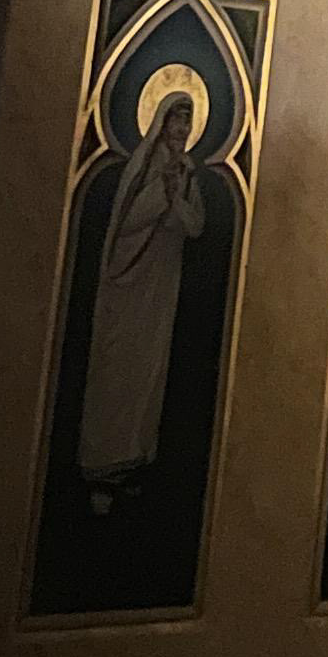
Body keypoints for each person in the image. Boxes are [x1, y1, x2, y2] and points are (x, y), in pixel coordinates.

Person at [77, 85, 207, 506]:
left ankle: (134, 459)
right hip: (129, 283)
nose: (182, 129)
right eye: (176, 119)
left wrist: (175, 198)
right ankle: (103, 463)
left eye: (187, 121)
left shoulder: (185, 172)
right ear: (162, 123)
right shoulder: (143, 166)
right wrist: (163, 196)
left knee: (149, 372)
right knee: (119, 372)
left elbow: (195, 225)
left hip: (161, 284)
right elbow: (129, 222)